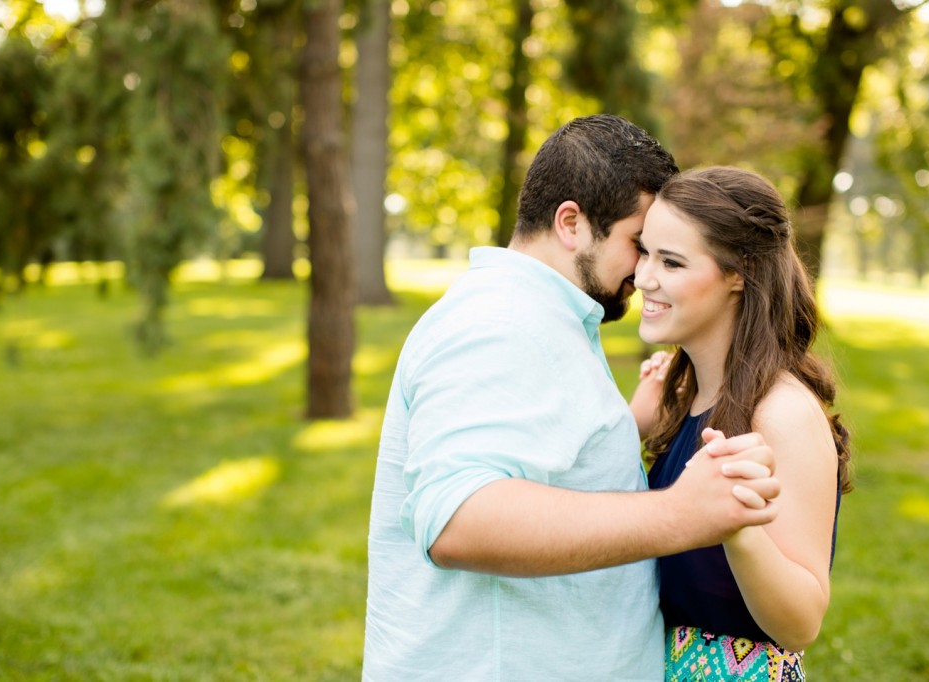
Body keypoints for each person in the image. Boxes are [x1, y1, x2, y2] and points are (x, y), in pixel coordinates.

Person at [363, 116, 781, 681]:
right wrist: (681, 513)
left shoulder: (543, 317)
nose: (644, 271)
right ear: (571, 223)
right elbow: (458, 520)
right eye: (638, 244)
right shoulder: (502, 322)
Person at [632, 166, 853, 681]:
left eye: (672, 261)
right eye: (644, 252)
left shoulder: (782, 414)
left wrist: (738, 528)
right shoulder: (684, 394)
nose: (644, 277)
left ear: (740, 272)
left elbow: (800, 624)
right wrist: (632, 426)